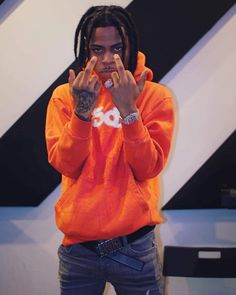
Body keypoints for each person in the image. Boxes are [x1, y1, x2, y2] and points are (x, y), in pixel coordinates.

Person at [45, 5, 175, 295]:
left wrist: (129, 110)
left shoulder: (155, 96)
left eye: (117, 48)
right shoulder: (65, 96)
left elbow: (148, 168)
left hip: (135, 247)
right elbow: (65, 164)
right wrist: (82, 112)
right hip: (79, 250)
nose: (107, 59)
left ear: (131, 46)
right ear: (85, 50)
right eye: (97, 49)